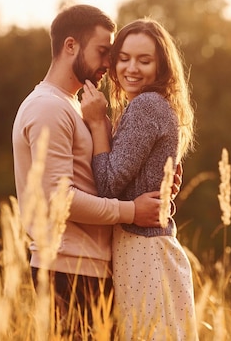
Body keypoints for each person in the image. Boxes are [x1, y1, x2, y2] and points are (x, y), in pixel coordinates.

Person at [11, 5, 164, 338]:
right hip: (68, 269)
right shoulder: (48, 107)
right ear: (70, 46)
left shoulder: (72, 104)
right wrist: (132, 211)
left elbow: (100, 176)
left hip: (87, 268)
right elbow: (58, 199)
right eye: (103, 52)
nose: (109, 64)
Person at [80, 18, 198, 340]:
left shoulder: (146, 105)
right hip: (148, 246)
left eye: (144, 61)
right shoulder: (150, 105)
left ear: (161, 66)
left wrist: (96, 125)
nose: (131, 68)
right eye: (124, 58)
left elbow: (107, 186)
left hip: (141, 249)